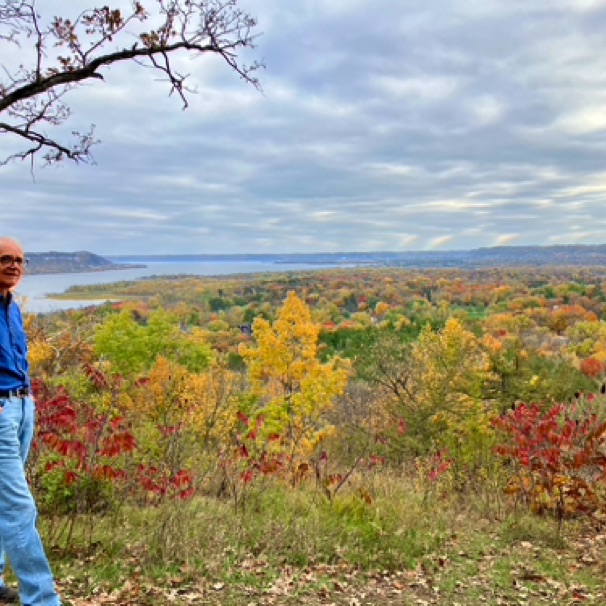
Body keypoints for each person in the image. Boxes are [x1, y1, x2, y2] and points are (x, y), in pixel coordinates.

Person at [0, 237, 62, 605]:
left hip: (22, 408)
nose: (14, 265)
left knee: (2, 500)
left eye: (20, 260)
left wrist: (28, 401)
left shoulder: (12, 307)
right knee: (19, 506)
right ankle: (41, 598)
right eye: (5, 259)